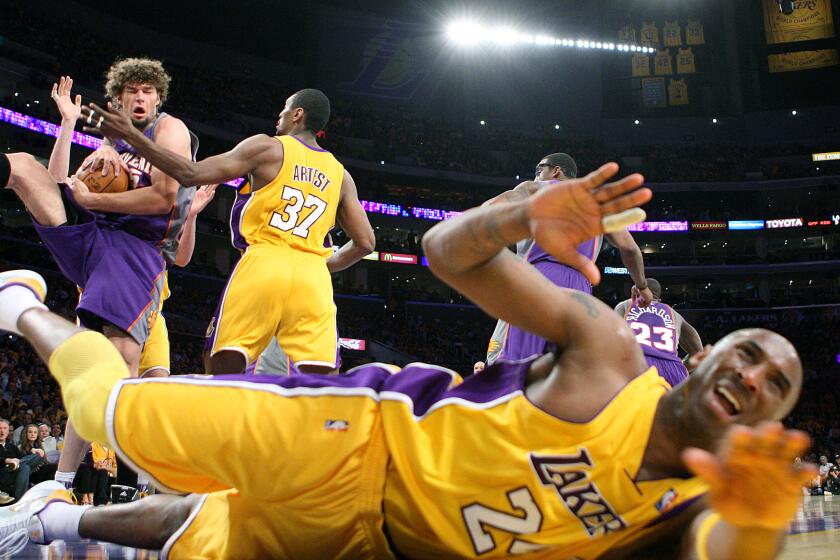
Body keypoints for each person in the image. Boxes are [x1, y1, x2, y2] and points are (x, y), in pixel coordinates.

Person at [0, 163, 816, 559]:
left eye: (775, 385)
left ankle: (50, 521)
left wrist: (757, 528)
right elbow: (441, 253)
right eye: (751, 356)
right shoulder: (612, 350)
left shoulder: (695, 506)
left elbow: (716, 554)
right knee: (108, 411)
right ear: (706, 356)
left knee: (206, 533)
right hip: (356, 436)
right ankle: (22, 303)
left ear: (775, 418)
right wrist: (514, 219)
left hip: (379, 547)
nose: (753, 378)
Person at [81, 88, 376, 375]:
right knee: (320, 374)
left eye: (285, 109)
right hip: (314, 275)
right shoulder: (341, 175)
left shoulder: (268, 147)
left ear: (298, 114)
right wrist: (324, 264)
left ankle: (229, 421)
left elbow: (190, 173)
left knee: (221, 360)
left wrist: (133, 137)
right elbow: (365, 242)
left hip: (265, 260)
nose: (280, 116)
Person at [8, 63, 198, 490]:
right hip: (96, 240)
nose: (140, 98)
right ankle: (58, 488)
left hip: (134, 252)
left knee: (108, 372)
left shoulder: (170, 131)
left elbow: (165, 197)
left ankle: (144, 480)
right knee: (22, 167)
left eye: (147, 91)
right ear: (118, 98)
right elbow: (62, 183)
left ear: (158, 97)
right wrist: (68, 126)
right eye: (131, 91)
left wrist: (95, 198)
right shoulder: (112, 137)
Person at [484, 153, 653, 364]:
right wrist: (642, 285)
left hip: (536, 279)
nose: (536, 176)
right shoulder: (597, 203)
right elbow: (630, 249)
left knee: (513, 368)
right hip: (581, 289)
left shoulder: (534, 189)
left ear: (556, 171)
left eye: (539, 170)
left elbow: (485, 213)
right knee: (565, 371)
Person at [614, 278, 704, 386]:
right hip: (672, 369)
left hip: (637, 364)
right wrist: (681, 367)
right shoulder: (674, 314)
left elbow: (612, 337)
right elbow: (698, 351)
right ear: (659, 300)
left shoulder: (626, 304)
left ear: (636, 292)